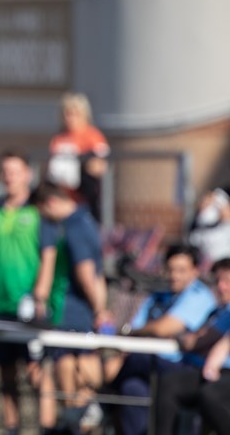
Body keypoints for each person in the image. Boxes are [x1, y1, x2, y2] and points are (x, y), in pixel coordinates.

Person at [0, 149, 56, 435]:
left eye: (15, 171)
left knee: (36, 371)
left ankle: (46, 427)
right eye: (5, 171)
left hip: (28, 305)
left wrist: (40, 296)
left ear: (27, 175)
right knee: (6, 372)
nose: (10, 177)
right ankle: (12, 427)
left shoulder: (37, 212)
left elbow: (48, 255)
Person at [107, 244, 216, 435]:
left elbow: (161, 328)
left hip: (181, 367)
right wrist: (140, 332)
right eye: (171, 269)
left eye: (181, 270)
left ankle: (99, 382)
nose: (174, 276)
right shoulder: (158, 297)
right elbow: (137, 328)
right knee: (131, 388)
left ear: (195, 271)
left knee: (126, 362)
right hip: (145, 367)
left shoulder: (200, 296)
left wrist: (140, 332)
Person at [35, 181, 110, 434]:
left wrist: (99, 309)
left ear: (52, 203)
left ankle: (76, 422)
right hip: (75, 311)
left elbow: (87, 273)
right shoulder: (84, 220)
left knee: (74, 378)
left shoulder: (75, 226)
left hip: (73, 312)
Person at [155, 258, 230, 435]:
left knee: (211, 395)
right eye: (218, 281)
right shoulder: (223, 312)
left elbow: (208, 343)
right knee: (170, 383)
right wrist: (185, 338)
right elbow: (199, 342)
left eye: (226, 281)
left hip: (220, 374)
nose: (221, 286)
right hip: (218, 373)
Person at [47, 91, 110, 222]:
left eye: (75, 114)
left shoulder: (93, 136)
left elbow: (100, 166)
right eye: (67, 114)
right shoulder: (58, 139)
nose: (70, 118)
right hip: (62, 198)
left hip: (84, 201)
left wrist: (81, 165)